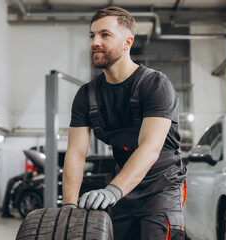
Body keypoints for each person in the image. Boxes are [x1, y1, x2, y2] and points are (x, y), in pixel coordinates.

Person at [62, 6, 187, 240]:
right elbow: (76, 154)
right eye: (92, 35)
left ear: (127, 42)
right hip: (123, 188)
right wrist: (69, 204)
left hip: (161, 187)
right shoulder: (86, 95)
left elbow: (150, 148)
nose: (95, 42)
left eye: (105, 35)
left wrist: (112, 190)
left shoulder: (155, 85)